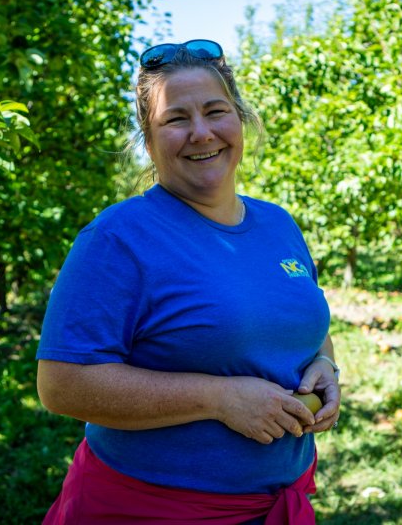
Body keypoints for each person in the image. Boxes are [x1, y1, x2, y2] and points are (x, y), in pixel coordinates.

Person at [36, 39, 341, 524]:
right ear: (149, 137)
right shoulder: (118, 238)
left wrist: (325, 364)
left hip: (273, 502)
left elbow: (302, 318)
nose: (201, 133)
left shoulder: (278, 224)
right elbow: (62, 385)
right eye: (176, 119)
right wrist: (218, 399)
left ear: (239, 118)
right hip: (148, 509)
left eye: (215, 111)